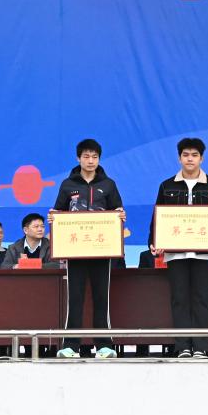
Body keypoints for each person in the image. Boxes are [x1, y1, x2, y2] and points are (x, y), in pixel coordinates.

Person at [148, 137, 208, 358]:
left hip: (205, 253)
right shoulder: (167, 185)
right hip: (176, 253)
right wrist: (154, 241)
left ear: (201, 158)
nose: (190, 159)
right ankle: (182, 345)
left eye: (194, 155)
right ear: (179, 158)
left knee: (202, 298)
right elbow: (158, 216)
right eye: (185, 155)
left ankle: (201, 346)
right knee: (179, 299)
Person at [50, 138, 125, 359]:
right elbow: (59, 212)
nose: (90, 161)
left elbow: (117, 210)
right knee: (75, 299)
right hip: (75, 252)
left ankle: (104, 345)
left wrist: (120, 215)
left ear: (99, 159)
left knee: (102, 298)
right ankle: (71, 345)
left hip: (102, 251)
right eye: (86, 156)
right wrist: (54, 217)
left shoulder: (108, 184)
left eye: (94, 157)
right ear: (78, 158)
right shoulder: (67, 185)